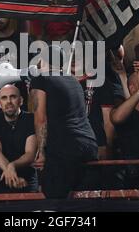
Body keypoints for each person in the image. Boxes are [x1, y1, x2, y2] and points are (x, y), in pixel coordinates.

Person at [29, 45, 98, 198]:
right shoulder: (74, 82)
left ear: (41, 61)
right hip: (89, 145)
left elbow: (40, 118)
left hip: (65, 148)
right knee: (82, 203)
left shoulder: (40, 80)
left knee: (54, 198)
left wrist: (41, 151)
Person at [0, 85, 38, 193]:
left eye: (13, 97)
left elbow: (30, 153)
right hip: (1, 177)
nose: (8, 101)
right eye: (4, 98)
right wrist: (10, 173)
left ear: (21, 101)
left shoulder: (31, 119)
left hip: (27, 178)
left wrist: (12, 166)